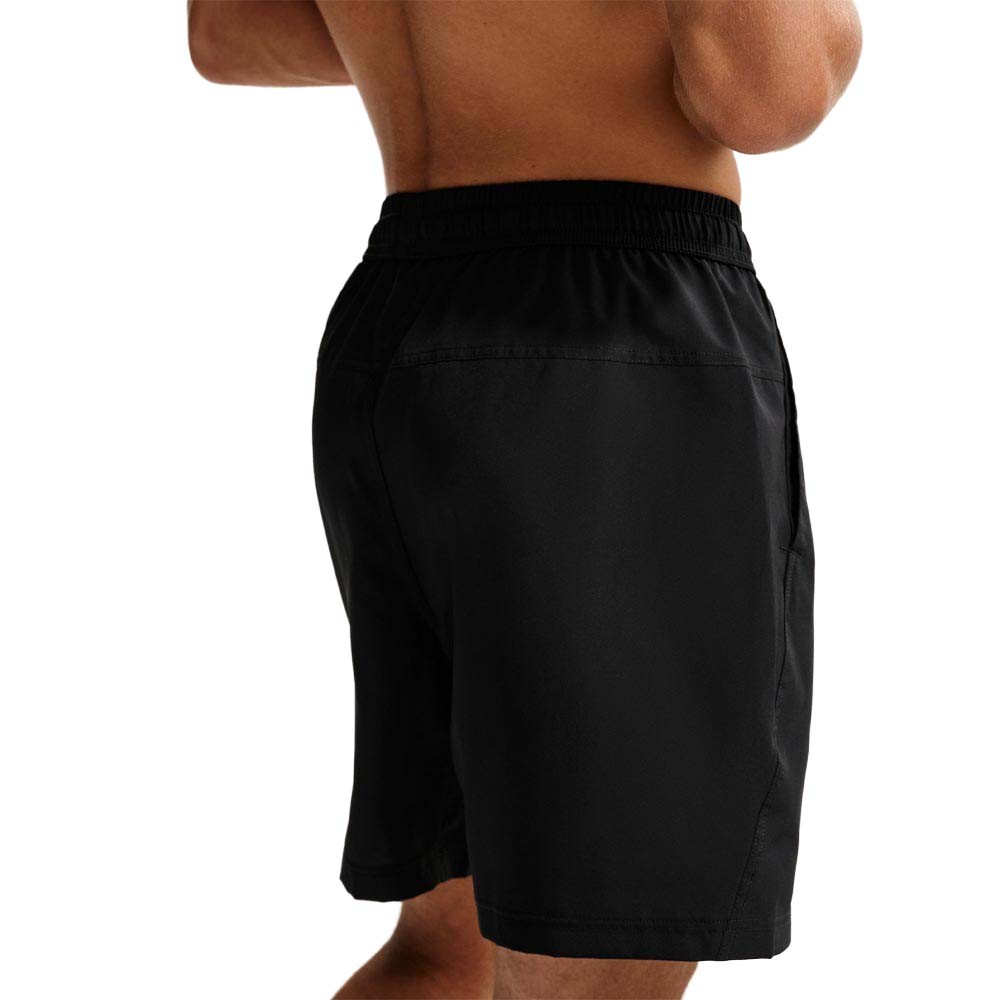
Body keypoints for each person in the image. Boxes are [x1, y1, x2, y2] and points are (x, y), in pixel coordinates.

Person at [187, 3, 861, 997]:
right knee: (592, 968)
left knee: (443, 955)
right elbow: (768, 94)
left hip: (407, 323)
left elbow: (230, 28)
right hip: (608, 351)